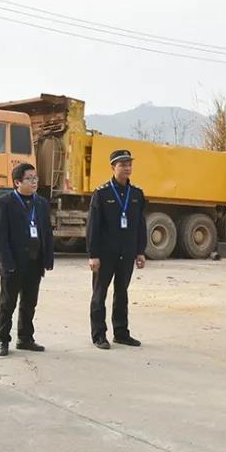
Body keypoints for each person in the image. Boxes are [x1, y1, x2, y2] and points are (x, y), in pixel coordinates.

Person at [86, 149, 147, 349]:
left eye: (129, 164)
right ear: (113, 167)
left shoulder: (136, 194)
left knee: (122, 293)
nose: (127, 168)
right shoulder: (102, 194)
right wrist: (93, 255)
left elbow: (140, 225)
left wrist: (140, 251)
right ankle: (99, 335)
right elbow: (93, 226)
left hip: (127, 253)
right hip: (105, 254)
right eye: (122, 165)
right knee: (99, 294)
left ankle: (121, 333)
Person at [0, 162, 54, 355]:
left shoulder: (41, 203)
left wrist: (48, 258)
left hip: (34, 262)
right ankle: (3, 340)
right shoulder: (5, 202)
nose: (34, 182)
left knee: (29, 303)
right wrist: (7, 262)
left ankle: (25, 338)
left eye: (35, 178)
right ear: (17, 182)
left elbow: (46, 231)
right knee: (7, 304)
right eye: (29, 178)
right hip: (13, 263)